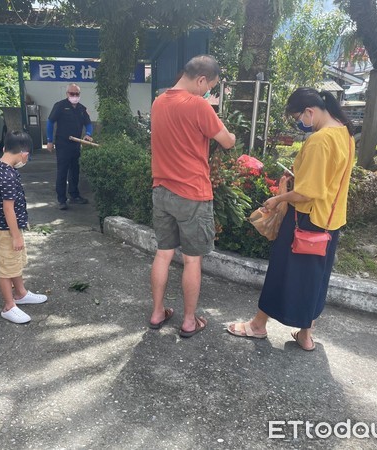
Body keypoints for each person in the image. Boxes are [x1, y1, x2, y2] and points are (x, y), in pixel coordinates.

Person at [227, 88, 355, 351]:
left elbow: (309, 191)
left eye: (298, 117)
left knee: (280, 271)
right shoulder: (345, 132)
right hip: (331, 221)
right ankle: (305, 335)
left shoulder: (320, 140)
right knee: (315, 279)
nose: (299, 123)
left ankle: (258, 325)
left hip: (306, 219)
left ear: (309, 111)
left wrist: (278, 199)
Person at [149, 55, 236, 338]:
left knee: (162, 255)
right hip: (192, 194)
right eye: (209, 86)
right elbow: (227, 141)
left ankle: (157, 312)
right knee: (191, 260)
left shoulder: (159, 102)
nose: (207, 91)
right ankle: (188, 321)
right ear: (201, 80)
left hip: (161, 190)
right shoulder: (198, 105)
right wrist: (211, 112)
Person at [0, 130, 48, 324]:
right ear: (24, 153)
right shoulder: (8, 177)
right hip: (6, 229)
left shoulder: (0, 166)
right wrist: (16, 236)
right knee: (6, 266)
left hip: (6, 227)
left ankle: (21, 293)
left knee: (14, 261)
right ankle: (9, 306)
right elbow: (8, 209)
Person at [46, 83, 94, 210]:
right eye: (72, 93)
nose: (74, 96)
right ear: (67, 94)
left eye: (77, 94)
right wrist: (49, 141)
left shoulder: (82, 109)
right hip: (62, 144)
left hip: (76, 144)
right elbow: (50, 122)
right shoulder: (60, 106)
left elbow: (88, 124)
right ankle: (61, 199)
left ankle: (74, 195)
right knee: (62, 171)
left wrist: (88, 134)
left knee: (75, 171)